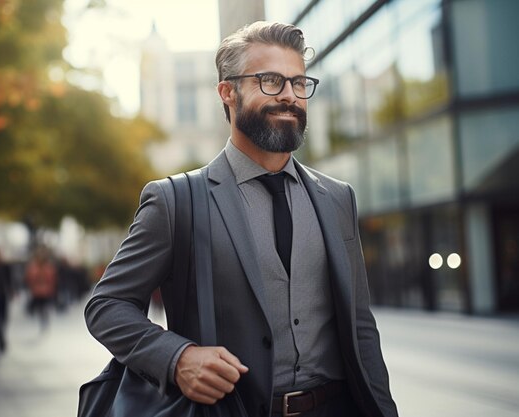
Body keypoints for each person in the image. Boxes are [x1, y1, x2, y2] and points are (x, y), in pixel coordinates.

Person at [85, 21, 398, 417]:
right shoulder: (175, 201)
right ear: (228, 92)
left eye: (299, 83)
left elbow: (361, 328)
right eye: (271, 81)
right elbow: (107, 305)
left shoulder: (338, 198)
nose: (289, 96)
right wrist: (177, 358)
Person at [24, 248, 57, 331]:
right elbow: (29, 278)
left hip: (45, 291)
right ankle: (43, 320)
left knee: (44, 307)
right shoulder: (34, 267)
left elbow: (52, 278)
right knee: (40, 307)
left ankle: (44, 320)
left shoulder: (47, 267)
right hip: (37, 291)